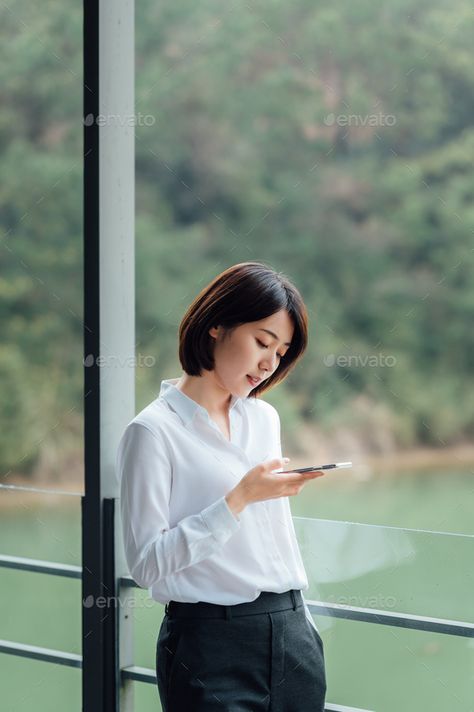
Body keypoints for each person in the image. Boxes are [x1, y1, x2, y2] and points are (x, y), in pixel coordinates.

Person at [116, 261, 327, 711]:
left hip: (292, 633)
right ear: (216, 325)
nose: (270, 364)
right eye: (262, 342)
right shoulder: (152, 433)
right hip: (208, 644)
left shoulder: (264, 418)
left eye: (282, 351)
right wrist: (238, 499)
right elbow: (146, 565)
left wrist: (302, 630)